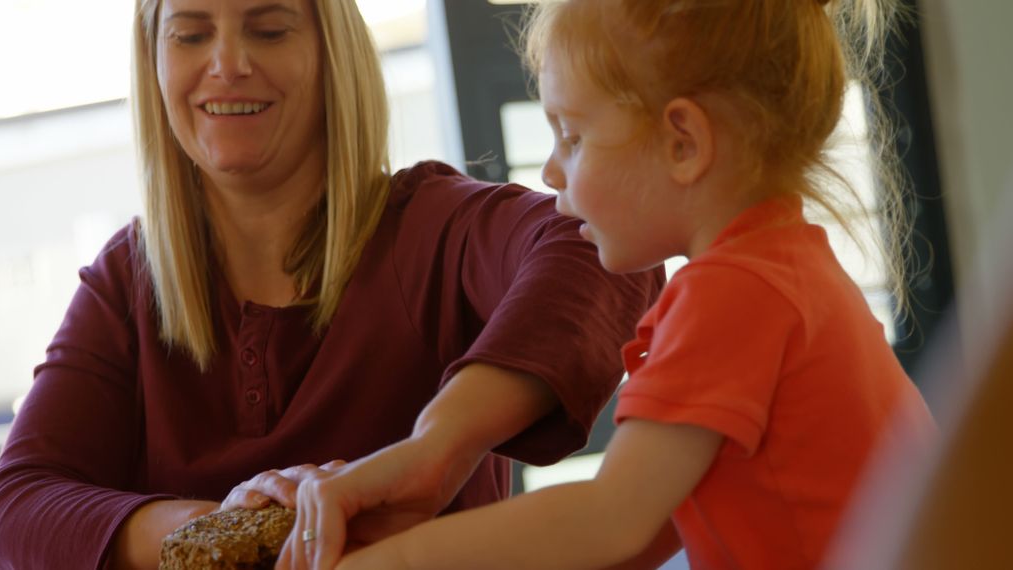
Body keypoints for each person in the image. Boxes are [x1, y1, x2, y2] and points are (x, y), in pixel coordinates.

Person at [0, 0, 660, 568]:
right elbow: (16, 506)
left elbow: (600, 248)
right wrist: (223, 532)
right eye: (190, 34)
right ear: (153, 60)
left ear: (333, 52)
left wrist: (436, 449)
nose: (228, 64)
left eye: (269, 29)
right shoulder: (126, 283)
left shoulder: (430, 227)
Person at [328, 0, 937, 569]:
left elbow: (608, 521)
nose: (549, 169)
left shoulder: (732, 294)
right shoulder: (786, 266)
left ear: (683, 143)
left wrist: (397, 561)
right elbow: (649, 531)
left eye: (572, 136)